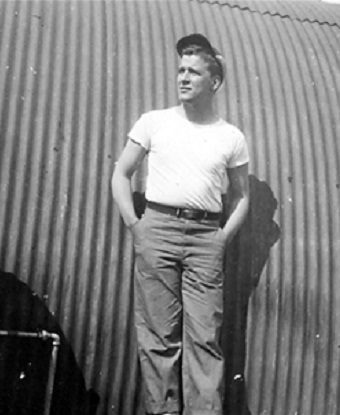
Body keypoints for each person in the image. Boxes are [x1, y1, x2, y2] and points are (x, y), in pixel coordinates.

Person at [112, 33, 249, 415]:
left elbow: (241, 197)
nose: (183, 78)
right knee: (159, 338)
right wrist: (136, 226)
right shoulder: (154, 122)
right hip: (156, 229)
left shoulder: (230, 137)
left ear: (214, 82)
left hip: (206, 237)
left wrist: (221, 238)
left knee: (205, 337)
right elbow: (121, 175)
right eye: (181, 70)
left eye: (193, 71)